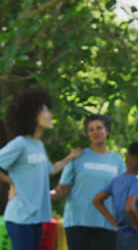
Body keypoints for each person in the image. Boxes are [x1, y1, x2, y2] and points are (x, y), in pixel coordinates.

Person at [0, 88, 82, 250]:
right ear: (31, 114)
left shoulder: (38, 145)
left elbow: (49, 171)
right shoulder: (20, 143)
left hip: (37, 217)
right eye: (45, 110)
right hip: (20, 217)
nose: (50, 115)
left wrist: (69, 158)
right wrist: (13, 182)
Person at [50, 114, 126, 250]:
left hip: (107, 223)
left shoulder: (117, 160)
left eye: (99, 128)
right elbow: (63, 188)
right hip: (77, 221)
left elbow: (124, 192)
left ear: (107, 131)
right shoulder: (77, 156)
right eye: (91, 129)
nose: (95, 132)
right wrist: (46, 195)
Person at [92, 141, 138, 250]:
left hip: (121, 236)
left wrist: (115, 223)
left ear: (126, 158)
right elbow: (130, 207)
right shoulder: (136, 183)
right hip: (137, 238)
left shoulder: (116, 181)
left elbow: (97, 200)